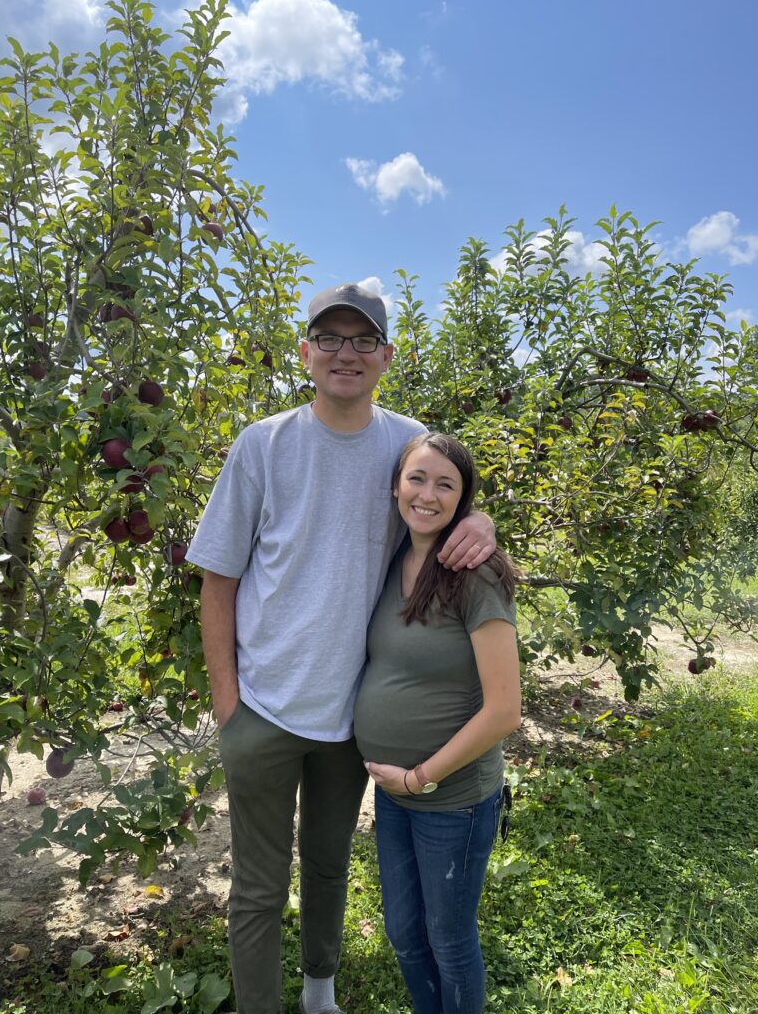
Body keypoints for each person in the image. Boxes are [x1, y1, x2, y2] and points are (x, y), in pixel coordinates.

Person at [185, 283, 497, 1014]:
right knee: (259, 886)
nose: (345, 353)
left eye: (363, 340)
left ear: (386, 356)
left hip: (349, 719)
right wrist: (229, 706)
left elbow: (445, 499)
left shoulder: (406, 443)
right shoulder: (263, 444)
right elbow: (218, 580)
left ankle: (319, 993)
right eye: (329, 338)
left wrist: (483, 523)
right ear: (306, 352)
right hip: (262, 710)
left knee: (328, 864)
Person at [355, 432, 522, 1014]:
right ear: (395, 486)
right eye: (417, 479)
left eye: (445, 484)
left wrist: (419, 777)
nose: (427, 495)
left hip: (452, 799)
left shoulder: (477, 573)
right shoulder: (389, 559)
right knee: (404, 934)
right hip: (394, 793)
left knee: (448, 941)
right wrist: (400, 784)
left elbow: (505, 710)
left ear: (464, 499)